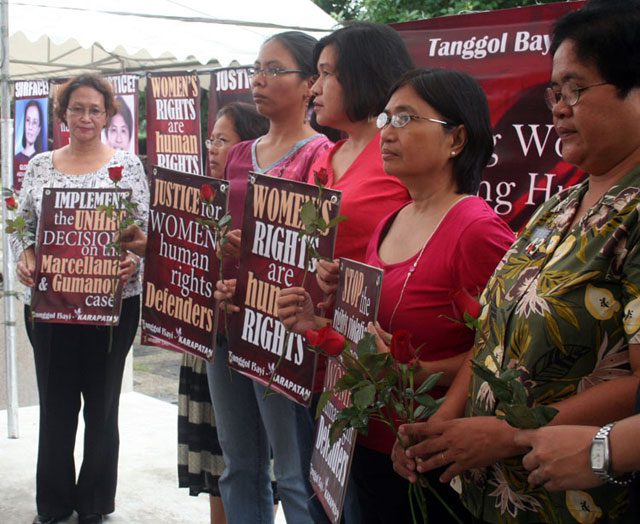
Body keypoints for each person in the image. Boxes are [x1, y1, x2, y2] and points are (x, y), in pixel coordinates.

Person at [391, 1, 640, 522]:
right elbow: (491, 337)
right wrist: (441, 426)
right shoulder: (560, 205)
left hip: (575, 504)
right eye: (555, 92)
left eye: (575, 89)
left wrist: (509, 434)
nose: (559, 108)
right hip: (491, 494)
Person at [279, 67, 514, 522]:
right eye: (386, 118)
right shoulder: (392, 221)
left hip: (433, 462)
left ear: (456, 139)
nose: (386, 132)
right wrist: (319, 321)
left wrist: (419, 372)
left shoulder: (477, 229)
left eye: (405, 119)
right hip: (365, 445)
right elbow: (371, 347)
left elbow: (503, 352)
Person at [10, 74, 149, 524]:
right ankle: (52, 505)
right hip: (49, 306)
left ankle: (93, 503)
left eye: (94, 109)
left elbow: (143, 231)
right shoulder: (39, 166)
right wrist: (25, 255)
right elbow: (21, 226)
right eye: (77, 108)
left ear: (108, 115)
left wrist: (133, 261)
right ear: (62, 114)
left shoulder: (128, 166)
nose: (85, 117)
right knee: (56, 405)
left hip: (112, 306)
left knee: (103, 407)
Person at [207, 31, 332, 524]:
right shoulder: (240, 154)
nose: (259, 80)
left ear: (309, 84)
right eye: (257, 68)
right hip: (227, 323)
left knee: (295, 474)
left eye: (275, 70)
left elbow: (318, 248)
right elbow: (222, 230)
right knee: (239, 465)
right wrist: (221, 258)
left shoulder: (321, 156)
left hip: (279, 333)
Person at [176, 102, 268, 524]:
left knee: (250, 459)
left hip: (246, 339)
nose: (212, 148)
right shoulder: (201, 195)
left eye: (223, 140)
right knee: (224, 461)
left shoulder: (254, 202)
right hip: (206, 340)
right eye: (210, 139)